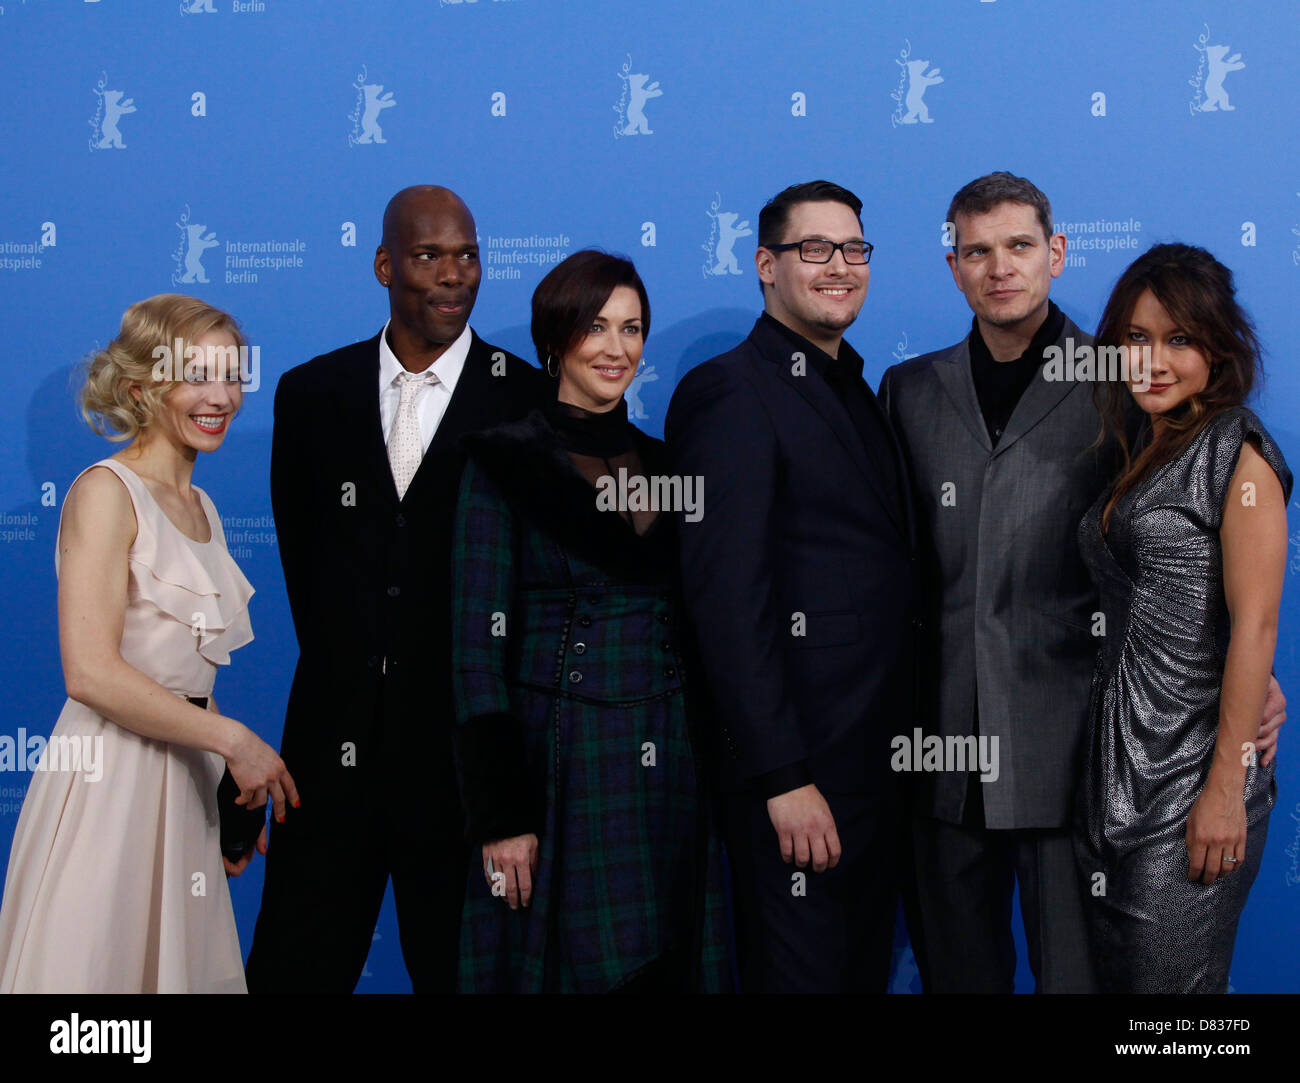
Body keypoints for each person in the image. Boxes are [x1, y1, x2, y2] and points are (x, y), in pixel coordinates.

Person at [879, 172, 1285, 993]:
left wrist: (1250, 679)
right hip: (940, 758)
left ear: (1056, 253)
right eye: (978, 251)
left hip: (1081, 761)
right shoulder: (906, 391)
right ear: (953, 265)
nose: (1001, 268)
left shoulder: (1124, 376)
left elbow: (1186, 539)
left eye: (1020, 246)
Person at [245, 186, 545, 993]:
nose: (454, 275)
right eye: (428, 256)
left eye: (468, 255)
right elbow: (308, 574)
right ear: (384, 264)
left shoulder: (526, 401)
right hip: (327, 757)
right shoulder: (310, 395)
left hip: (461, 773)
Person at [449, 249, 730, 993]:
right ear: (556, 338)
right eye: (597, 326)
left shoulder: (670, 465)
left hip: (671, 758)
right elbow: (476, 652)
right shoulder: (502, 462)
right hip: (559, 765)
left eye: (632, 328)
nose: (617, 347)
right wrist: (501, 813)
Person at [0, 294, 296, 993]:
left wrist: (225, 789)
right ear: (142, 386)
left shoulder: (203, 507)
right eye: (196, 374)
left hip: (183, 783)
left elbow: (183, 669)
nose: (220, 395)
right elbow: (92, 672)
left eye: (231, 374)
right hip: (111, 781)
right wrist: (233, 741)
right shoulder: (106, 491)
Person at [665, 181, 915, 993]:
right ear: (767, 265)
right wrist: (780, 776)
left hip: (880, 775)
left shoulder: (862, 391)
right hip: (800, 779)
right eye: (815, 250)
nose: (839, 267)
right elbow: (726, 602)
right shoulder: (731, 391)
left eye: (854, 249)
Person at [1075, 243, 1290, 993]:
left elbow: (1256, 625)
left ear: (1219, 348)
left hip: (1194, 777)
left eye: (1179, 340)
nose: (1153, 361)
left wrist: (1226, 788)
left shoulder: (1240, 450)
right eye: (1135, 339)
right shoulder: (1144, 445)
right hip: (1113, 780)